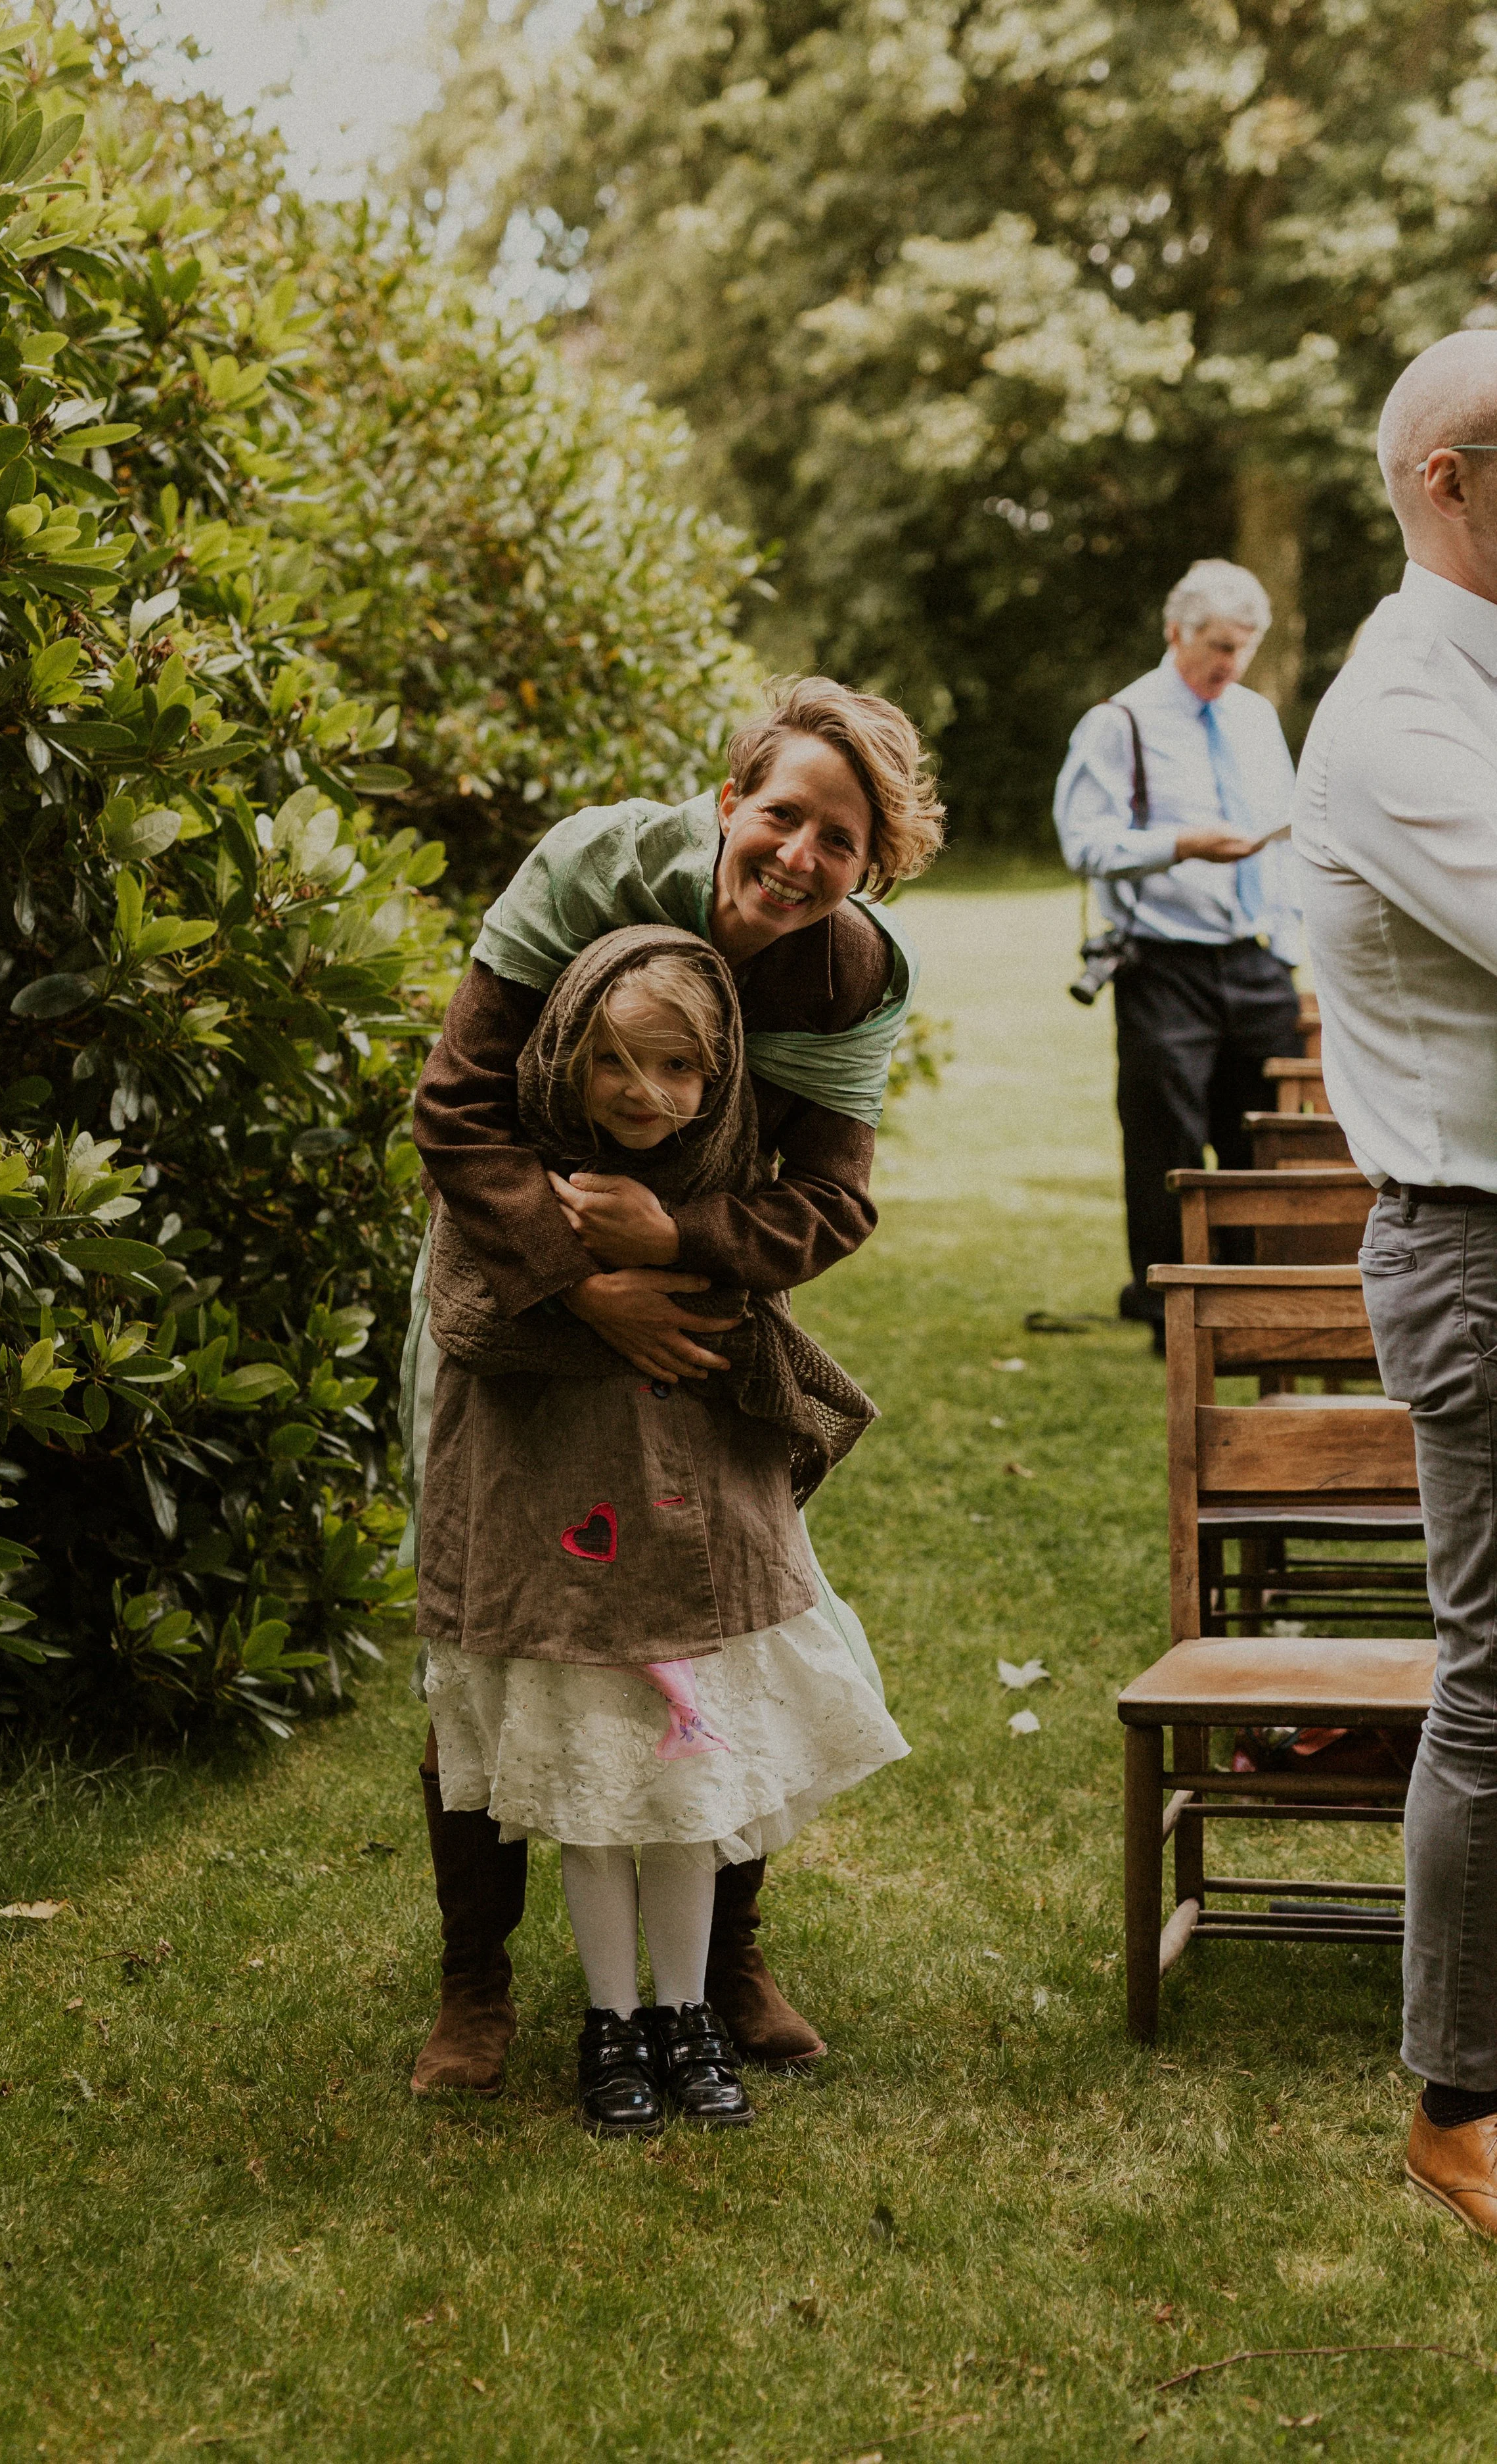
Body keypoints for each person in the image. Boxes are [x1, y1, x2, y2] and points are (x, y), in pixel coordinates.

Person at [405, 675, 944, 2097]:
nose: (798, 856)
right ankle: (475, 1983)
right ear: (726, 803)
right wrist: (580, 1284)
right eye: (780, 815)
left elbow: (827, 1198)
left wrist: (684, 1243)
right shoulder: (593, 866)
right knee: (499, 1623)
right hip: (516, 1275)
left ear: (868, 868)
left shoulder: (853, 979)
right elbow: (456, 1104)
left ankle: (726, 1961)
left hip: (698, 1313)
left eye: (839, 842)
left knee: (725, 1623)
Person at [1293, 328, 1497, 2237]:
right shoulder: (1388, 716)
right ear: (1448, 475)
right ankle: (1453, 2100)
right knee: (1496, 1686)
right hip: (1473, 1242)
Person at [1054, 560, 1304, 1348]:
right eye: (1218, 645)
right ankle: (1169, 1308)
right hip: (1163, 963)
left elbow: (1289, 836)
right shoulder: (1118, 721)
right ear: (1176, 632)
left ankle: (1252, 1303)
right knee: (1165, 1135)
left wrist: (1292, 942)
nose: (1229, 664)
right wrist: (1183, 845)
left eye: (1244, 649)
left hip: (1259, 958)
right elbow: (1083, 842)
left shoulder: (1257, 718)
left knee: (1260, 1135)